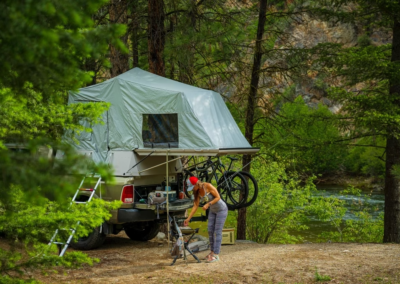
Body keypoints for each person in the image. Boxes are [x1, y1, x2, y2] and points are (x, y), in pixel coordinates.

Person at [183, 176, 228, 263]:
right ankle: (211, 252)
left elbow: (218, 197)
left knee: (217, 231)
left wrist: (208, 204)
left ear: (197, 183)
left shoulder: (208, 186)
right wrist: (188, 219)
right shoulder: (196, 192)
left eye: (193, 187)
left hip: (221, 210)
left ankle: (216, 255)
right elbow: (195, 206)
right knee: (210, 230)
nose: (193, 189)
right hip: (213, 211)